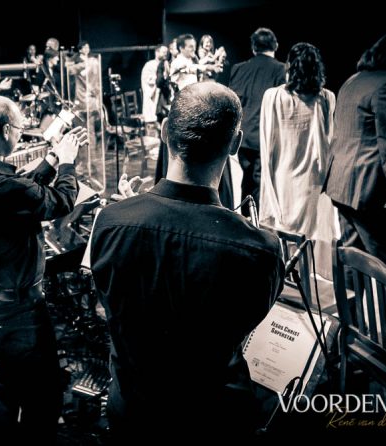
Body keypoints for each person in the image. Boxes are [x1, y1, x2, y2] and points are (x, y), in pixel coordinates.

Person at [89, 82, 282, 438]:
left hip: (133, 415)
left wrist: (134, 210)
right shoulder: (261, 249)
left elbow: (116, 301)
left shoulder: (109, 222)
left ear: (164, 132)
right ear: (237, 143)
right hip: (211, 419)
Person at [0, 96, 86, 440]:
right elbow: (59, 201)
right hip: (18, 311)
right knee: (44, 396)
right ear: (4, 130)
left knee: (10, 383)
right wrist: (69, 165)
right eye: (20, 128)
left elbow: (17, 192)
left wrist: (51, 160)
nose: (22, 133)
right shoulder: (0, 186)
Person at [323, 30, 386, 271]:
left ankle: (355, 310)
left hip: (342, 190)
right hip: (372, 196)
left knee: (353, 265)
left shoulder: (353, 80)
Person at [258, 42, 337, 245]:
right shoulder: (326, 98)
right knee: (309, 241)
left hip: (283, 178)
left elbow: (267, 145)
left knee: (285, 239)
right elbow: (329, 143)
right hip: (314, 180)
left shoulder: (273, 97)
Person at [229, 27, 286, 214]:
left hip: (242, 137)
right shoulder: (282, 70)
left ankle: (247, 222)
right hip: (266, 136)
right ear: (275, 45)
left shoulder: (238, 69)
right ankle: (257, 229)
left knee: (248, 181)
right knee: (261, 183)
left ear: (253, 47)